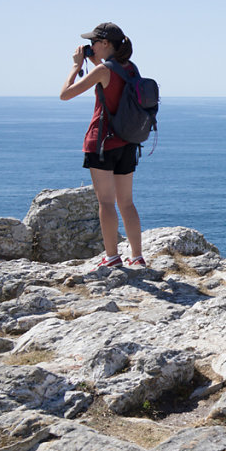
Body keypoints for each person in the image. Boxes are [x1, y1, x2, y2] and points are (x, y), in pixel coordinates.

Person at [59, 22, 146, 269]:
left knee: (106, 202)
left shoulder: (102, 71)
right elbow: (113, 77)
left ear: (105, 44)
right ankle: (137, 257)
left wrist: (76, 66)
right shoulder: (130, 69)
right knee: (126, 202)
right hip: (128, 142)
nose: (91, 46)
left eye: (94, 42)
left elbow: (65, 94)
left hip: (101, 143)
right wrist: (95, 61)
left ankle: (112, 257)